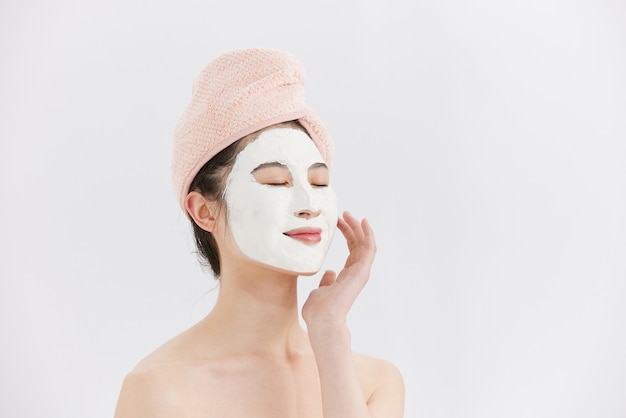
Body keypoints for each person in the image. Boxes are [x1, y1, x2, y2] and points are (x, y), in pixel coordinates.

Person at [114, 48, 405, 418]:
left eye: (319, 182)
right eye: (276, 182)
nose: (309, 205)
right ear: (204, 211)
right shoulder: (161, 391)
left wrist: (330, 333)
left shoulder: (373, 382)